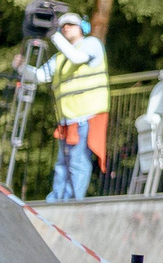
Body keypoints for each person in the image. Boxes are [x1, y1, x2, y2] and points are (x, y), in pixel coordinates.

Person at [23, 11, 108, 202]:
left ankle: (72, 202)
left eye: (70, 24)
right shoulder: (61, 57)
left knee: (78, 162)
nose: (66, 28)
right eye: (63, 26)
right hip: (68, 120)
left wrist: (54, 34)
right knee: (62, 164)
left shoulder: (91, 44)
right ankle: (56, 201)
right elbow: (39, 76)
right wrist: (21, 68)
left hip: (88, 115)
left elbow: (77, 58)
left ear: (82, 28)